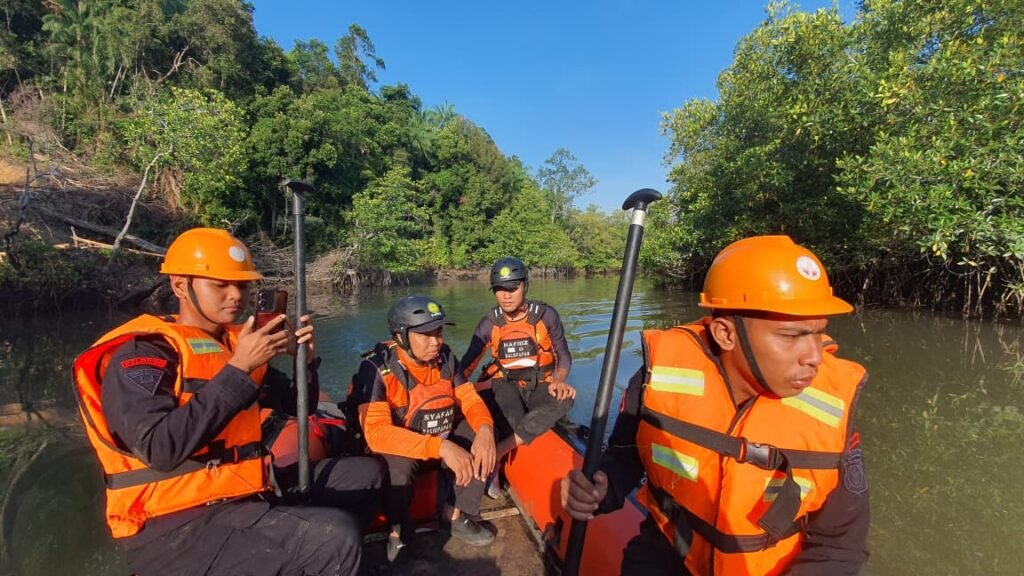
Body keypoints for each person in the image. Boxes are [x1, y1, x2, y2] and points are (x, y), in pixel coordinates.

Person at [72, 228, 385, 576]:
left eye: (243, 285)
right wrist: (239, 369)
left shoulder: (236, 344)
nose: (235, 295)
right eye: (220, 284)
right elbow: (160, 449)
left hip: (242, 491)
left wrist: (305, 362)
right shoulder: (144, 354)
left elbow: (300, 408)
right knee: (334, 538)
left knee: (365, 473)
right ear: (180, 286)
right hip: (172, 525)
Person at [562, 235, 870, 576]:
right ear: (725, 334)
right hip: (665, 555)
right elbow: (625, 456)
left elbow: (840, 547)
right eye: (791, 336)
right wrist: (604, 488)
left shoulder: (831, 410)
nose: (814, 356)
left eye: (818, 332)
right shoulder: (657, 378)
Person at [352, 295, 497, 562]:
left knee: (479, 433)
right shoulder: (375, 368)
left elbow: (468, 397)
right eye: (425, 335)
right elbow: (377, 433)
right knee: (397, 466)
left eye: (438, 332)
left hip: (439, 437)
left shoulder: (445, 357)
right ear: (401, 337)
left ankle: (454, 513)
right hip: (405, 449)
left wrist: (486, 429)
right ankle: (398, 533)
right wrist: (440, 446)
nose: (436, 341)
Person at [461, 257, 576, 495]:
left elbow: (563, 356)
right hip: (505, 385)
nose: (506, 295)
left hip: (540, 384)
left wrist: (560, 379)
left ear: (525, 285)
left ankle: (500, 450)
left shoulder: (546, 316)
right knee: (513, 415)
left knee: (566, 399)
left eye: (513, 288)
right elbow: (466, 368)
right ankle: (504, 455)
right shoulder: (489, 323)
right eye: (500, 289)